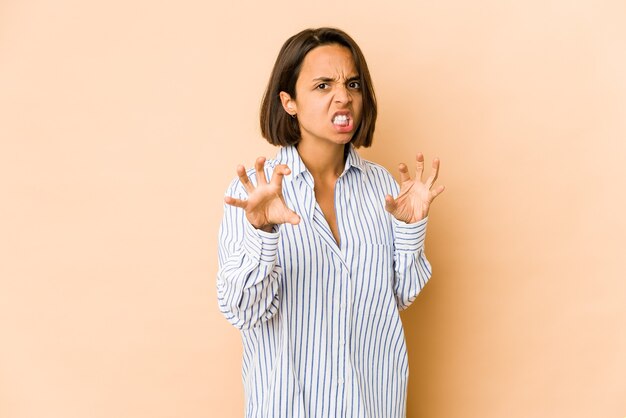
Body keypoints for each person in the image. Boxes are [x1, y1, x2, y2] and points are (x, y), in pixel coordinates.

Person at [217, 27, 444, 418]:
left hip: (374, 405)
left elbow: (400, 296)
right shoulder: (257, 194)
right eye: (323, 85)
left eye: (352, 83)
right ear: (289, 102)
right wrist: (262, 232)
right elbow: (243, 311)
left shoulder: (382, 188)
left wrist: (410, 229)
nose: (344, 97)